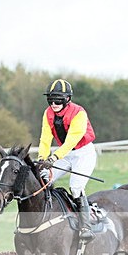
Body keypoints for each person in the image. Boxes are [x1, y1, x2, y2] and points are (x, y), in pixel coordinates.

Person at [36, 79, 97, 241]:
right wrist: (42, 158)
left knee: (75, 187)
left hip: (83, 153)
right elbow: (45, 138)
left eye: (58, 99)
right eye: (51, 99)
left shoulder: (79, 113)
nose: (54, 103)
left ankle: (86, 226)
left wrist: (54, 157)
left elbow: (71, 141)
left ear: (67, 99)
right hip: (65, 154)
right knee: (43, 178)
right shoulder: (48, 113)